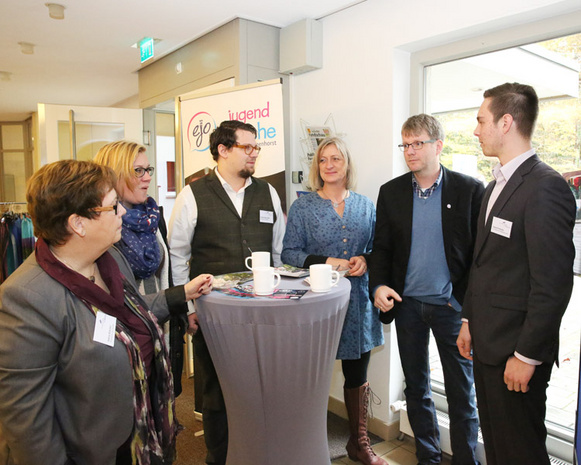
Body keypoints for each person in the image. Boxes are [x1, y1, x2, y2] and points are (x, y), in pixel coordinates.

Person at [0, 160, 212, 465]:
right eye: (113, 207)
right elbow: (26, 424)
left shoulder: (109, 258)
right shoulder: (27, 298)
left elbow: (130, 317)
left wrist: (182, 294)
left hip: (140, 439)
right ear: (78, 223)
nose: (122, 212)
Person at [456, 83, 576, 465]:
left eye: (481, 120)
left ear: (506, 122)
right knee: (497, 448)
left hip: (515, 353)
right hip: (487, 345)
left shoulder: (546, 187)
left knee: (521, 452)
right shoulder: (494, 185)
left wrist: (526, 355)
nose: (476, 131)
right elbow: (484, 263)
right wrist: (468, 318)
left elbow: (553, 283)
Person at [168, 120, 285, 465]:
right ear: (223, 149)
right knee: (217, 391)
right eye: (247, 147)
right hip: (213, 315)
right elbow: (177, 255)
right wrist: (187, 307)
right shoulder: (193, 194)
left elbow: (279, 254)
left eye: (256, 148)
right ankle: (218, 457)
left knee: (261, 388)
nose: (254, 154)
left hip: (263, 312)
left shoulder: (268, 193)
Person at [369, 114, 484, 465]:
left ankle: (467, 460)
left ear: (439, 145)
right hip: (408, 308)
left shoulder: (469, 190)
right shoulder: (391, 192)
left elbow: (481, 257)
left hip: (451, 309)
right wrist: (378, 285)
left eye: (417, 143)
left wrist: (466, 308)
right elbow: (382, 248)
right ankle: (428, 458)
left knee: (462, 393)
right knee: (416, 389)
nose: (410, 151)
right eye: (405, 144)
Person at [282, 136, 386, 465]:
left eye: (336, 159)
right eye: (323, 160)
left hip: (358, 303)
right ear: (317, 167)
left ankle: (359, 444)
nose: (329, 165)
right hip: (318, 304)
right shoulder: (303, 207)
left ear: (347, 165)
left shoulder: (366, 206)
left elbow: (378, 249)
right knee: (313, 376)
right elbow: (288, 254)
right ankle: (304, 444)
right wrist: (327, 262)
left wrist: (365, 260)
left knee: (358, 375)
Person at [94, 140, 207, 397]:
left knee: (165, 409)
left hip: (164, 334)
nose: (146, 178)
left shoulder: (154, 218)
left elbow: (165, 275)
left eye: (148, 169)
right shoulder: (103, 229)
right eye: (137, 171)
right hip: (129, 342)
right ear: (115, 174)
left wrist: (182, 311)